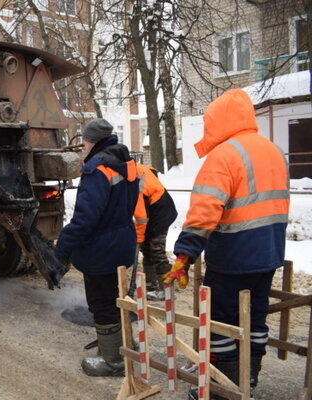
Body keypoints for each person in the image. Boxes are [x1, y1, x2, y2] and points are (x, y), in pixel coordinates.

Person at [164, 89, 289, 399]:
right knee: (255, 316)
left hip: (233, 257)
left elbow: (204, 211)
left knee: (220, 321)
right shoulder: (273, 150)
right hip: (269, 254)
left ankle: (223, 389)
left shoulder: (224, 155)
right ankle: (249, 378)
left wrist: (184, 257)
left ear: (217, 121)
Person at [55, 118, 139, 377]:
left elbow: (85, 219)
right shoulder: (126, 163)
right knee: (117, 298)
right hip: (123, 242)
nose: (83, 146)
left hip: (101, 249)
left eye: (84, 142)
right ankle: (127, 346)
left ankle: (112, 361)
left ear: (91, 141)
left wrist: (62, 249)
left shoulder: (96, 168)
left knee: (102, 304)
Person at [134, 163, 177, 300]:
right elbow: (152, 169)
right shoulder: (134, 168)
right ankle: (151, 285)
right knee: (147, 249)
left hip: (161, 212)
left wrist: (138, 239)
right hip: (154, 209)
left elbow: (141, 217)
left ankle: (166, 289)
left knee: (156, 250)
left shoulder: (134, 183)